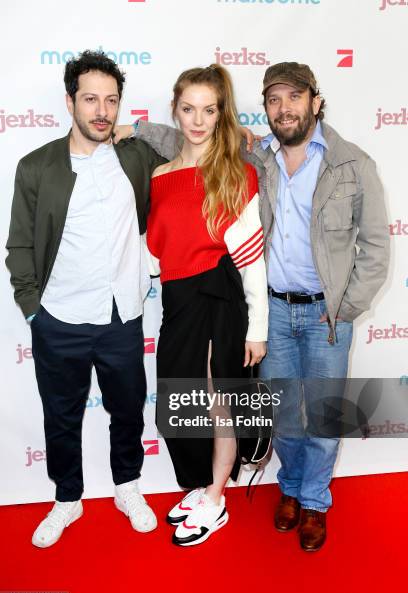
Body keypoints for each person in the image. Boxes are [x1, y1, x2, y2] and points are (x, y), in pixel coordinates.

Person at [116, 61, 389, 552]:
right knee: (279, 413)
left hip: (320, 315)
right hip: (263, 308)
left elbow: (374, 247)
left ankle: (313, 502)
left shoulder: (350, 164)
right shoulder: (257, 154)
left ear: (315, 101)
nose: (285, 109)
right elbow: (182, 144)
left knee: (323, 416)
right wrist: (132, 127)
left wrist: (346, 308)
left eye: (294, 97)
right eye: (274, 100)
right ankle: (285, 491)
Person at [5, 50, 165, 548]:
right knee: (62, 415)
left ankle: (128, 486)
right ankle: (66, 498)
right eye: (90, 99)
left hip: (122, 317)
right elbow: (20, 246)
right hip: (60, 318)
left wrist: (140, 130)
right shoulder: (36, 167)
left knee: (128, 409)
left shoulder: (136, 156)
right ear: (70, 101)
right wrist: (35, 310)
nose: (101, 110)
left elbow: (194, 145)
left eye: (111, 101)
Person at [143, 64, 268, 546]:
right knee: (182, 401)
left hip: (220, 297)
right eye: (189, 109)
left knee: (219, 403)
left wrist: (257, 327)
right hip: (178, 301)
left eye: (209, 110)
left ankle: (215, 496)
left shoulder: (237, 172)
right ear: (175, 109)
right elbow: (155, 253)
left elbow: (252, 257)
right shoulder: (160, 175)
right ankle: (202, 486)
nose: (197, 120)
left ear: (221, 114)